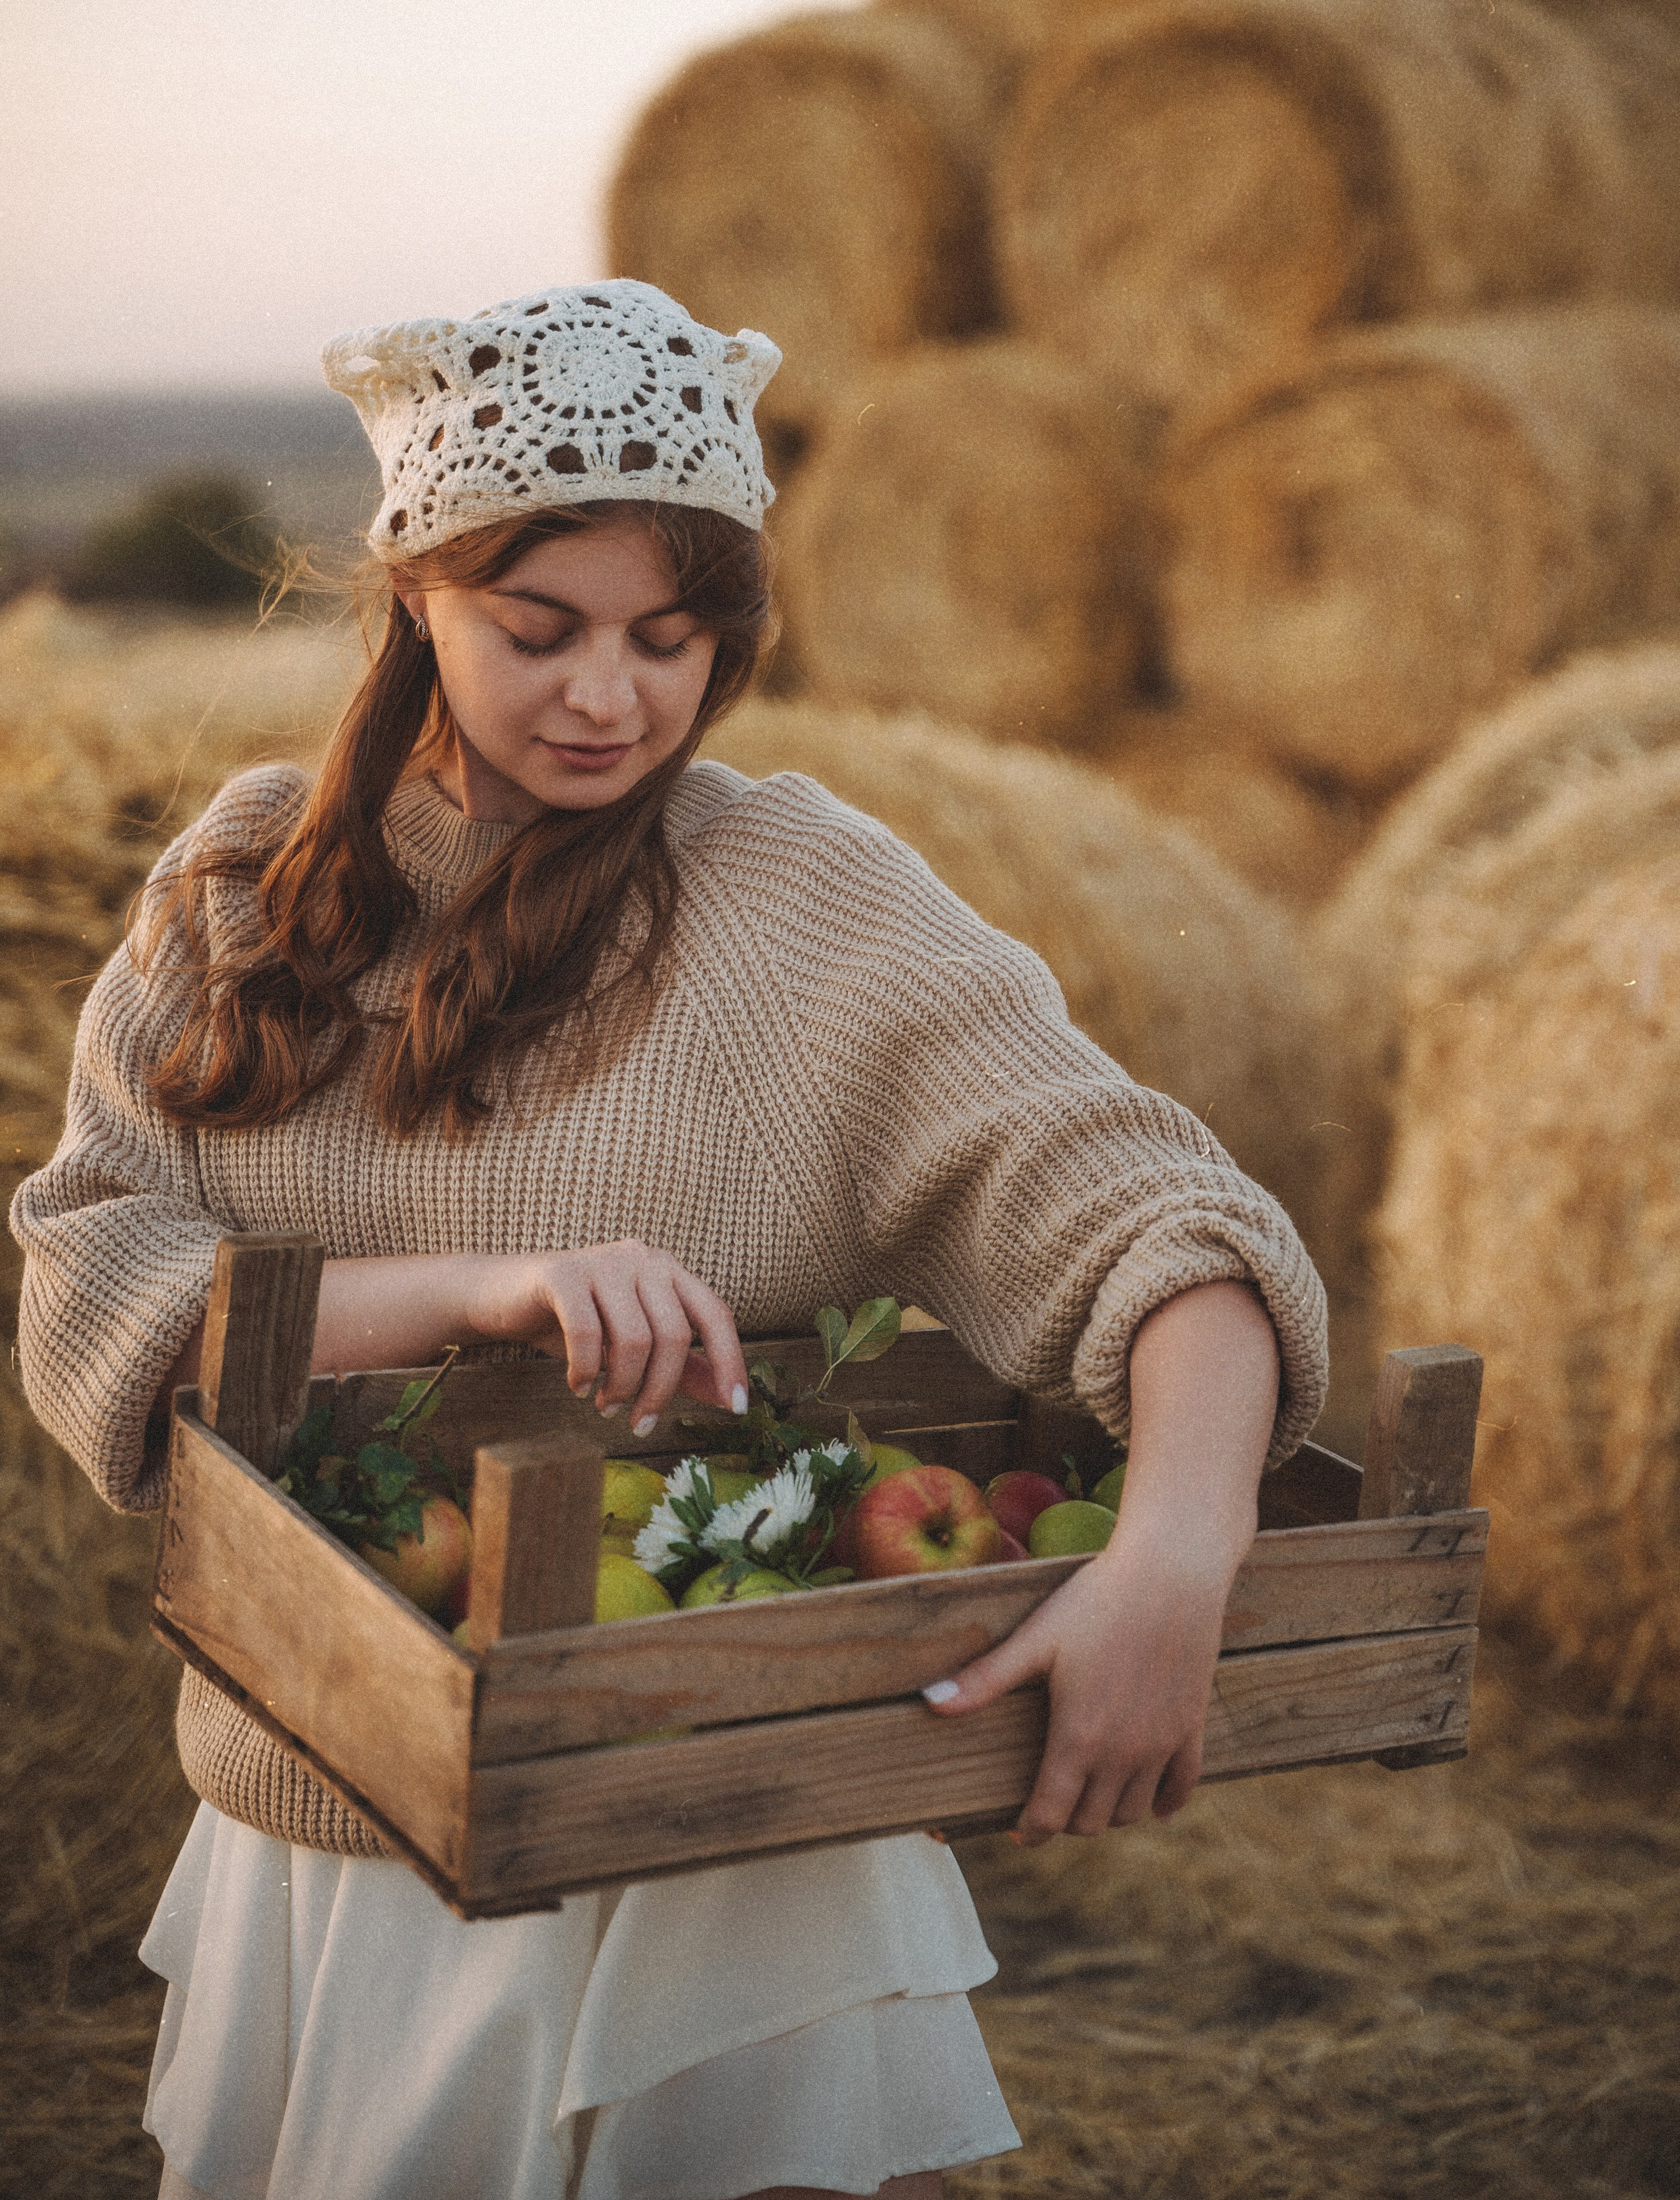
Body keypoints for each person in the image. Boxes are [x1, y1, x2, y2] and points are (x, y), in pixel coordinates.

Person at [12, 279, 1328, 2200]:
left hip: (729, 1819)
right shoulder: (248, 889)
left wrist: (1178, 1557)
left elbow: (1168, 1221)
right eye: (537, 631)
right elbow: (91, 1277)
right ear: (415, 597)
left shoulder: (797, 893)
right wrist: (486, 1290)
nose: (612, 697)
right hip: (354, 1828)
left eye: (674, 635)